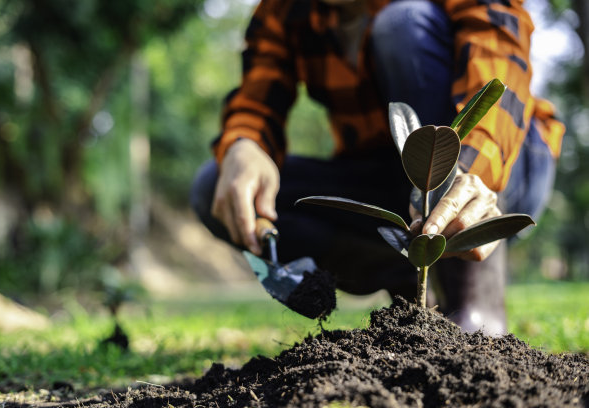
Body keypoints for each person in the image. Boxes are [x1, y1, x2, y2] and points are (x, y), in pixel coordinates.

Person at [191, 0, 565, 336]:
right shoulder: (283, 10)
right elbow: (257, 101)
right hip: (388, 178)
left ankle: (474, 299)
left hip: (504, 159)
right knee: (214, 185)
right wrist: (247, 144)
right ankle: (403, 275)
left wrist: (472, 168)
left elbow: (496, 57)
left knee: (404, 25)